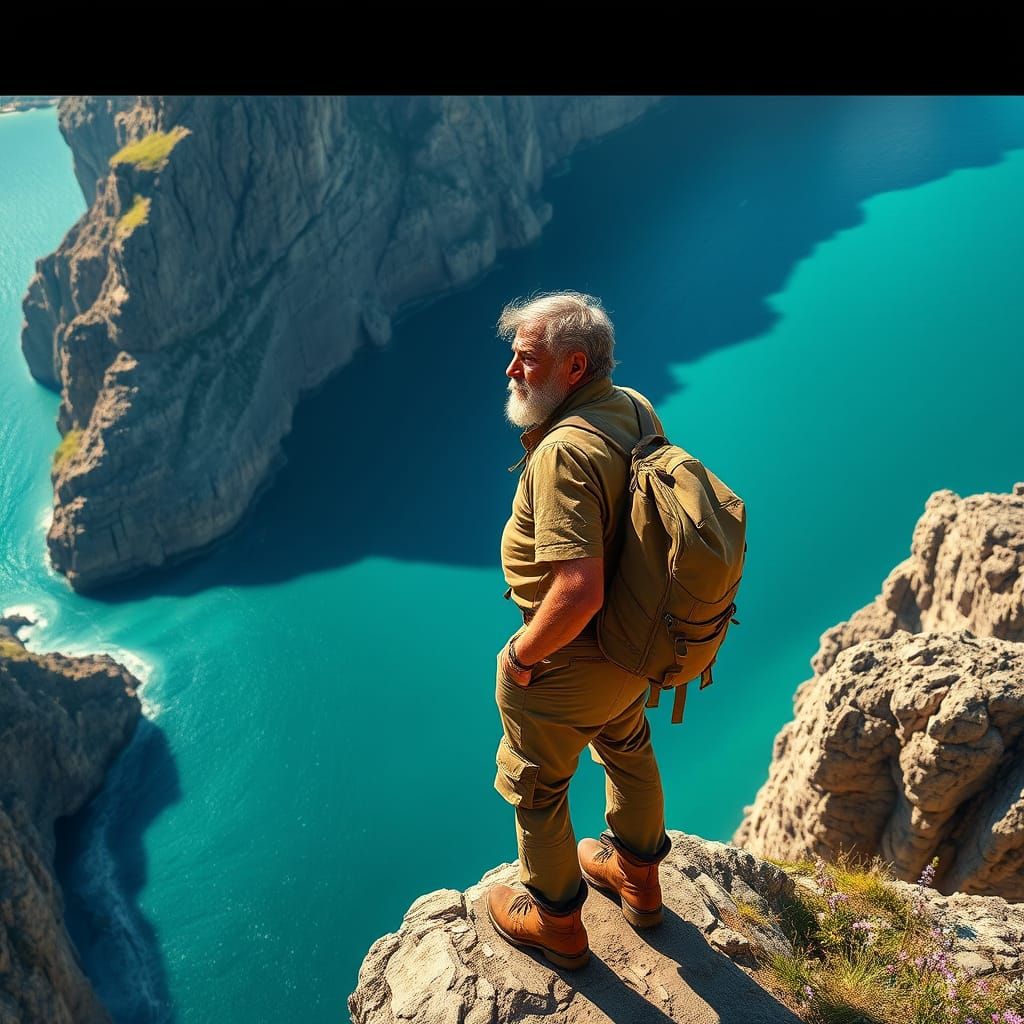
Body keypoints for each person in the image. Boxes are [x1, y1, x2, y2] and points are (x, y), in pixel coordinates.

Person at [486, 291, 673, 971]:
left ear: (572, 367)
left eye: (526, 358)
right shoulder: (634, 407)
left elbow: (577, 590)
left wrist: (521, 654)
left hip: (573, 657)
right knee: (627, 747)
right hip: (637, 646)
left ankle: (556, 921)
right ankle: (639, 881)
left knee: (536, 787)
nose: (511, 370)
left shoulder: (564, 451)